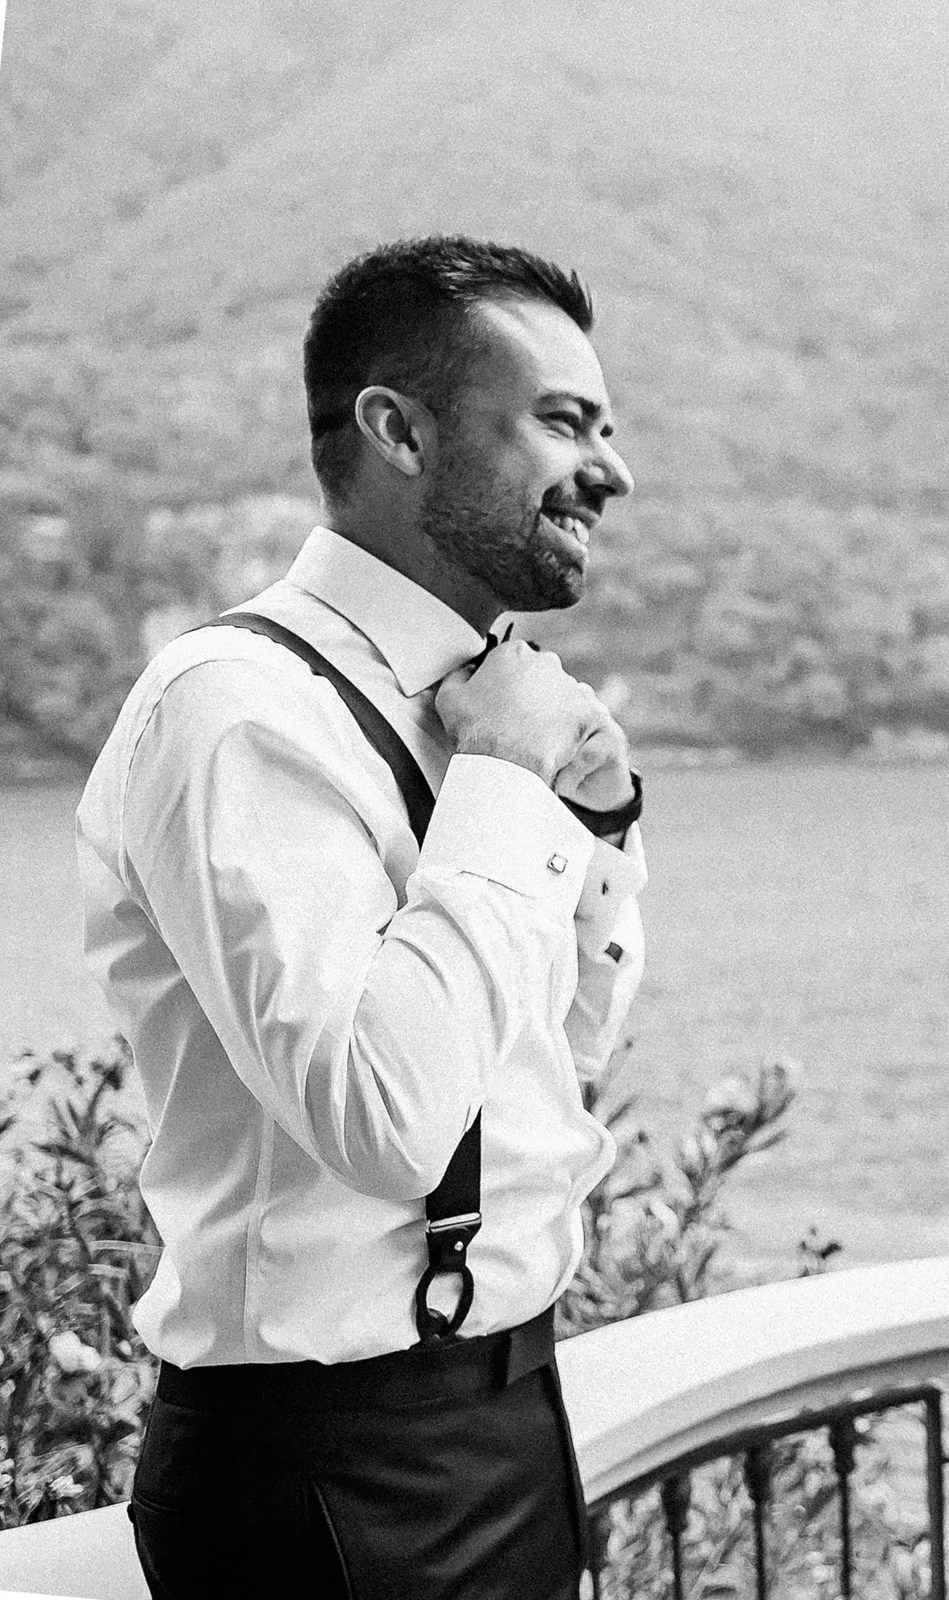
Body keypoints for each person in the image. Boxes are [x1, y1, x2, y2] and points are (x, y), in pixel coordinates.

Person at [79, 236, 645, 1597]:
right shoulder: (235, 710)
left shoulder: (490, 700)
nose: (615, 472)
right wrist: (506, 784)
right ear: (398, 429)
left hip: (508, 1421)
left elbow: (564, 1063)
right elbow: (386, 1122)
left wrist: (601, 825)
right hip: (326, 1478)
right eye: (564, 422)